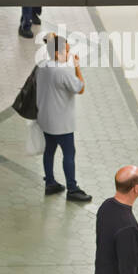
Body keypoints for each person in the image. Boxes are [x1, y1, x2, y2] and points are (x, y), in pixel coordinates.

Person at [35, 33, 91, 202]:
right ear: (58, 53)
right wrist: (76, 66)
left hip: (45, 120)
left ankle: (50, 182)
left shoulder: (42, 66)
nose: (68, 54)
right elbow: (80, 88)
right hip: (61, 124)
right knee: (69, 153)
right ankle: (72, 189)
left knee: (49, 151)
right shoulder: (62, 72)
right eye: (66, 51)